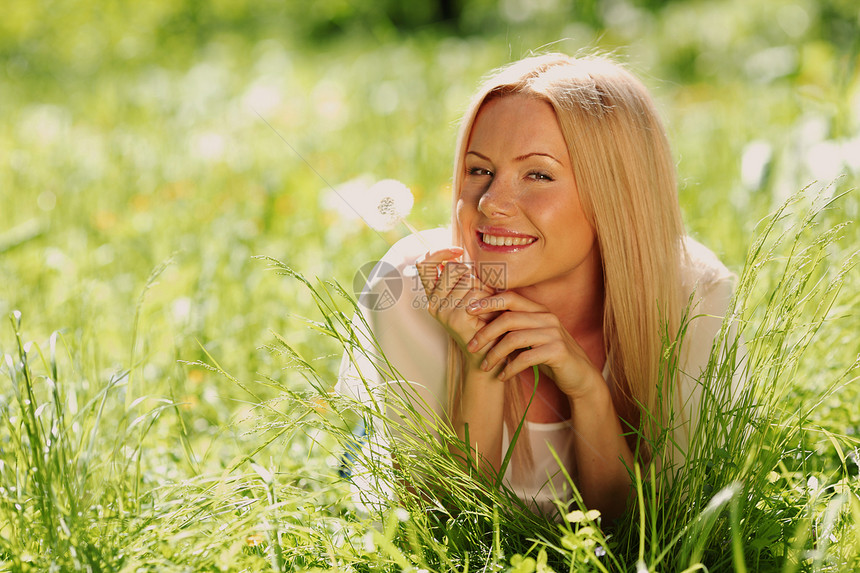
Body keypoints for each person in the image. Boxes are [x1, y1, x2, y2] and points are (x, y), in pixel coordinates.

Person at [337, 53, 739, 520]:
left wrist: (588, 392)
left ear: (616, 195)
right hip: (395, 470)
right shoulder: (410, 287)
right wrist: (482, 365)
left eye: (538, 175)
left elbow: (654, 533)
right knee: (363, 460)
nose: (490, 203)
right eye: (479, 170)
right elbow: (442, 528)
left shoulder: (692, 295)